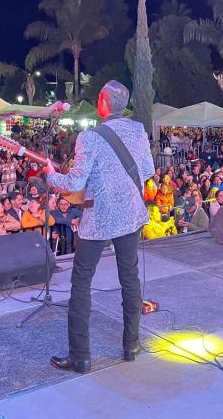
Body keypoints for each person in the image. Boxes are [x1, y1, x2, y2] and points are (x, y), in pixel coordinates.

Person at [44, 80, 154, 374]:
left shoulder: (89, 137)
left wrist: (51, 176)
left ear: (103, 102)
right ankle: (131, 345)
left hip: (100, 220)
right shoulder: (139, 130)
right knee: (130, 278)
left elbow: (74, 184)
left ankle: (80, 357)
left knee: (81, 283)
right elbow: (147, 171)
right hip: (131, 216)